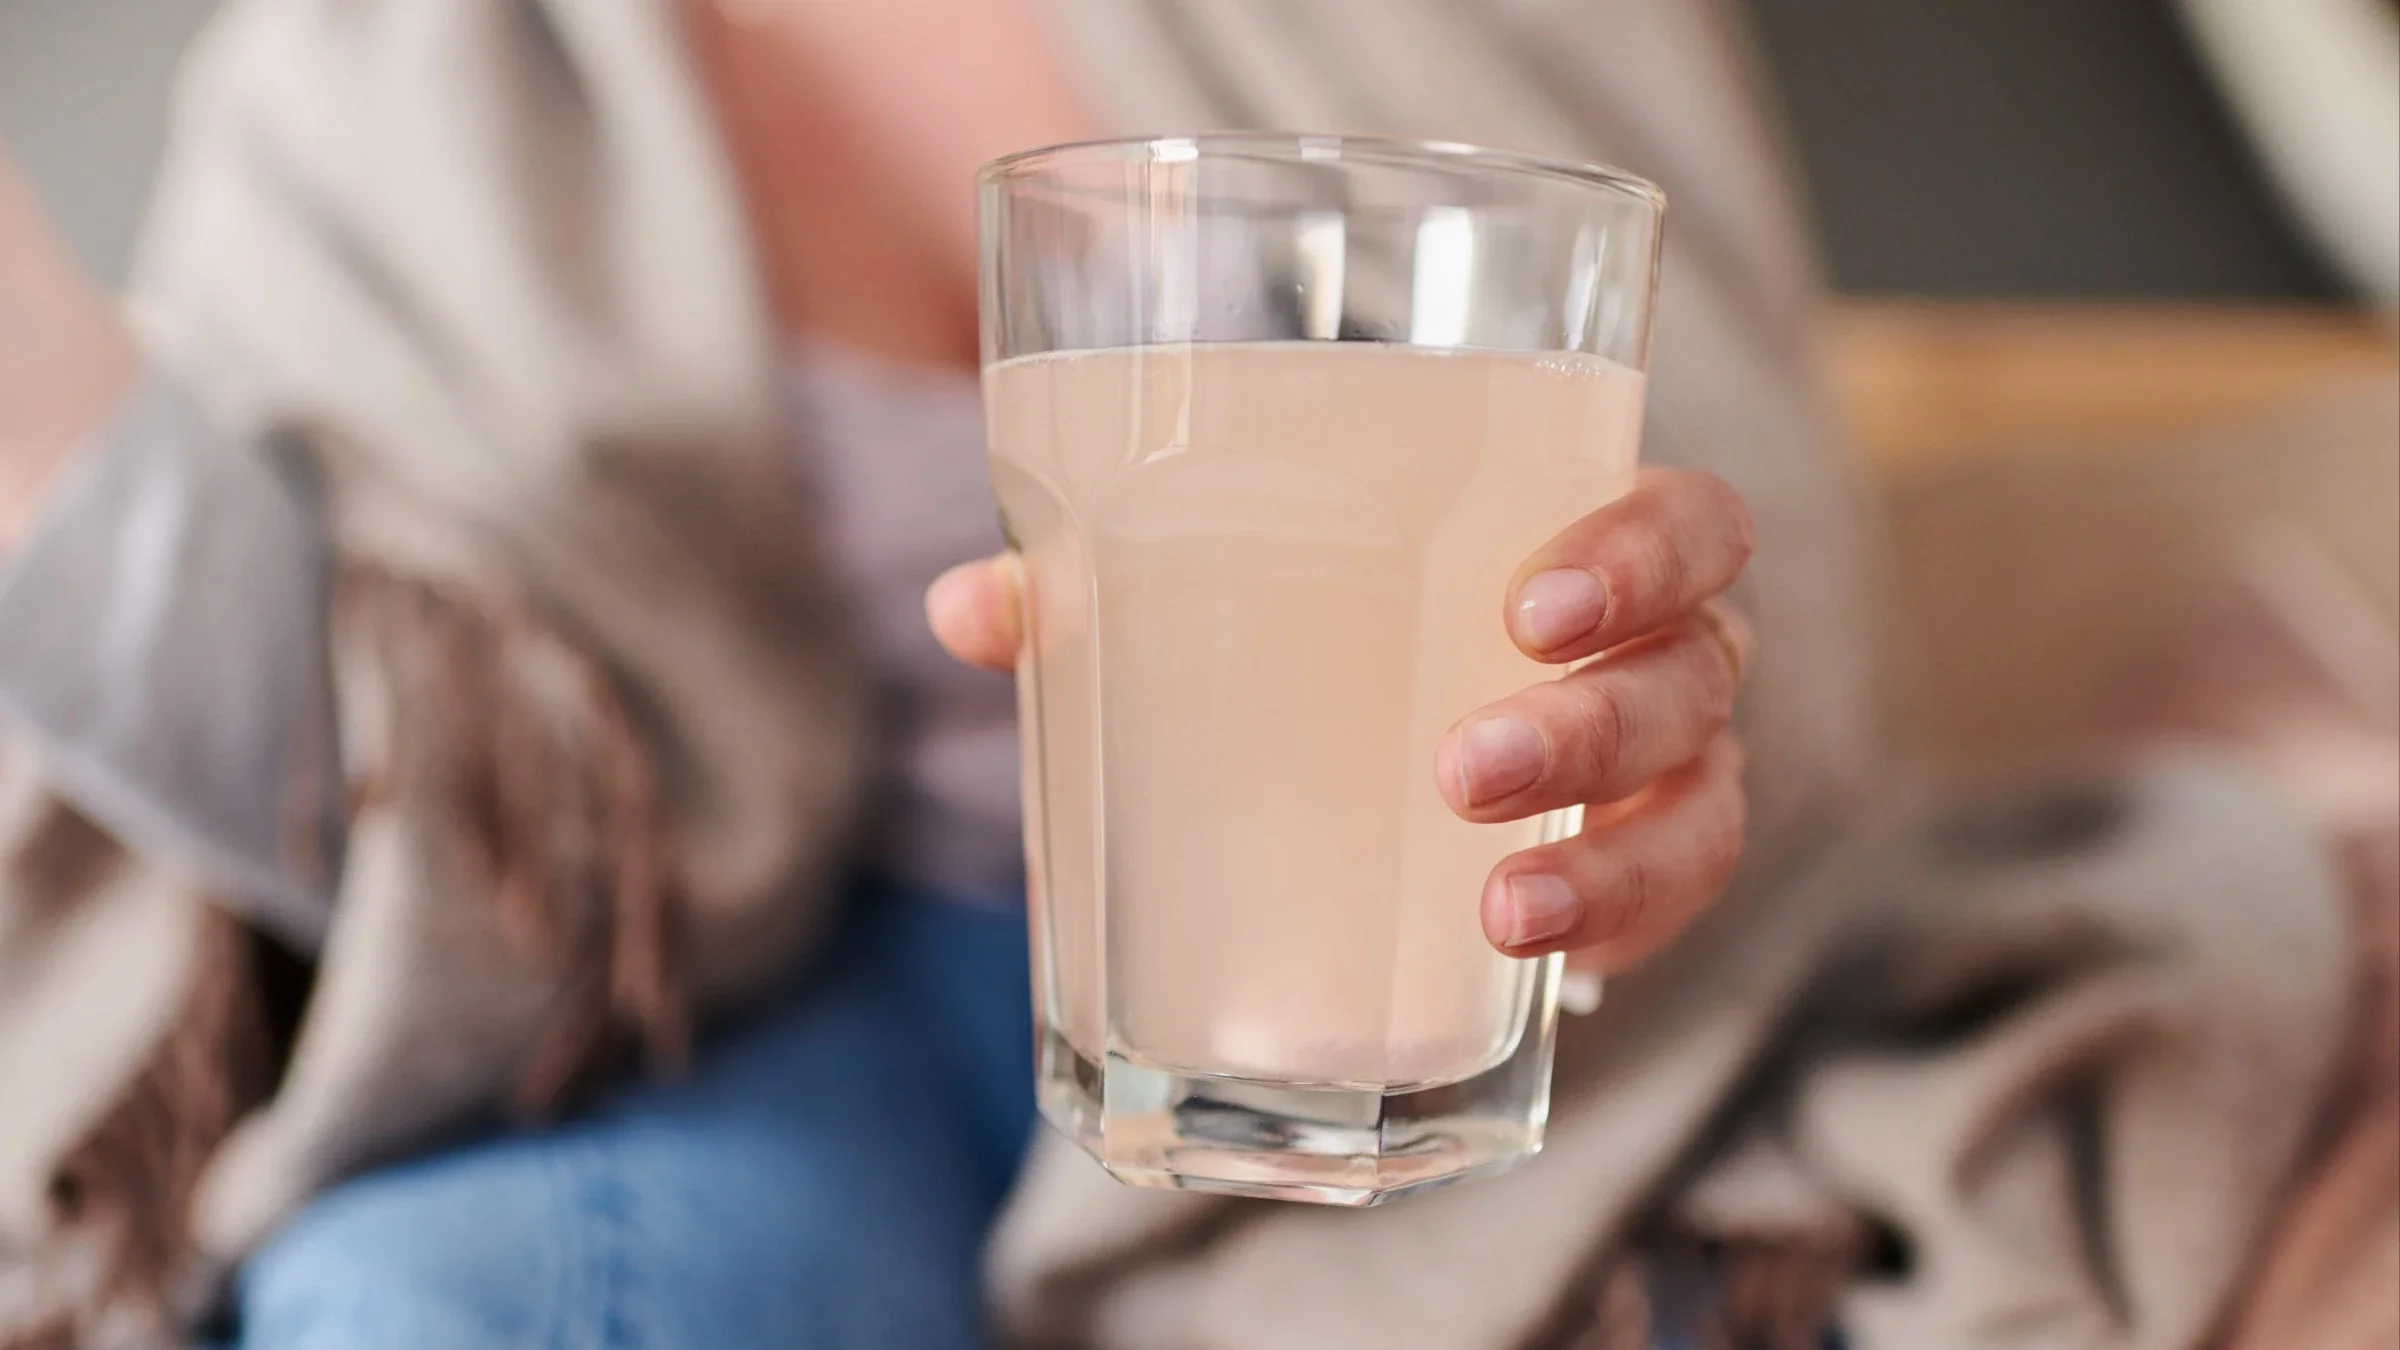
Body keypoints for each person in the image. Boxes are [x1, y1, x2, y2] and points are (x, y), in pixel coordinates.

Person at [0, 2, 2357, 1348]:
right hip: (680, 1004)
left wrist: (1637, 737)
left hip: (1328, 969)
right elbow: (422, 794)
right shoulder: (382, 73)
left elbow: (1719, 565)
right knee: (460, 1310)